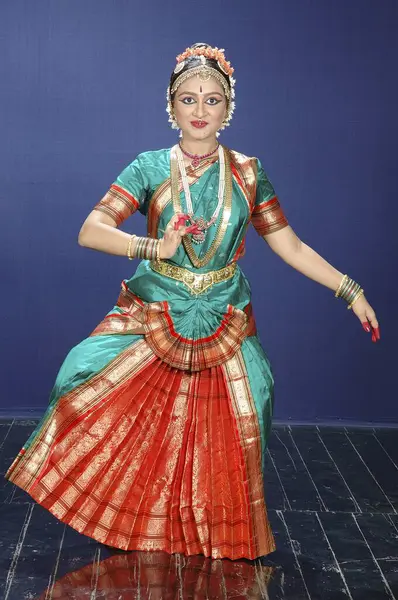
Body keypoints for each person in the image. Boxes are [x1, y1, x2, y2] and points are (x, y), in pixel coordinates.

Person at [4, 43, 380, 561]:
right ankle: (135, 520)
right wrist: (153, 247)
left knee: (252, 403)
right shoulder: (150, 166)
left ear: (229, 109)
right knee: (79, 376)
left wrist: (349, 289)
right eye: (188, 99)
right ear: (171, 107)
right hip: (157, 305)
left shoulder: (248, 172)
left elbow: (288, 244)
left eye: (212, 100)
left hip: (224, 310)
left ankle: (209, 532)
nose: (200, 111)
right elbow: (91, 231)